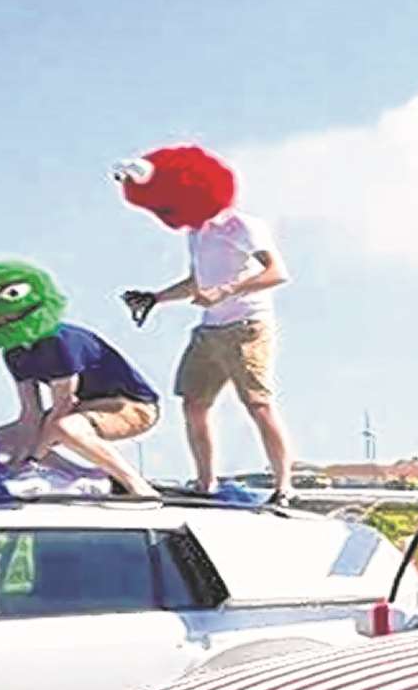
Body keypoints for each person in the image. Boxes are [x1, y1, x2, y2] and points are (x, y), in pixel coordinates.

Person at [113, 145, 295, 503]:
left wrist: (226, 290)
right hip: (209, 329)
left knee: (258, 404)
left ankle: (284, 485)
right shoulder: (195, 233)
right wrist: (156, 298)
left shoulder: (241, 225)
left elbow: (277, 272)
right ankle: (205, 483)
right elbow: (197, 282)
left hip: (248, 326)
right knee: (194, 404)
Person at [0, 260, 160, 497]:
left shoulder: (60, 341)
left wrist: (33, 456)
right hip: (82, 407)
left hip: (132, 407)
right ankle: (80, 475)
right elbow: (30, 413)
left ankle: (137, 485)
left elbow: (64, 405)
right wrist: (17, 460)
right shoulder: (13, 352)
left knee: (65, 427)